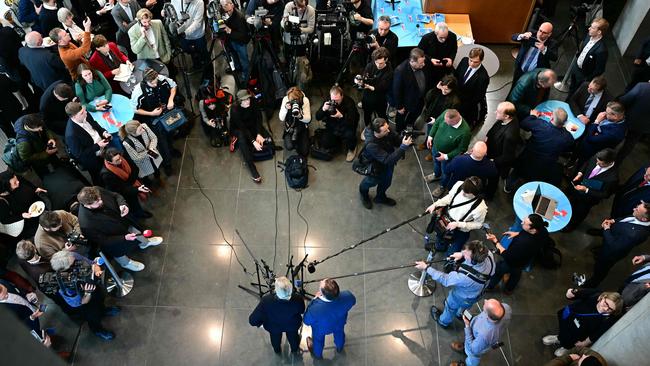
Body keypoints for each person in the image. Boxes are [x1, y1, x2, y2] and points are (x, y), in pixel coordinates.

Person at [77, 186, 162, 271]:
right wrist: (124, 238)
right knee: (119, 254)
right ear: (87, 205)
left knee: (138, 233)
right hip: (114, 238)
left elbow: (115, 195)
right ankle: (126, 263)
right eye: (97, 202)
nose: (101, 201)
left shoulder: (96, 190)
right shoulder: (86, 224)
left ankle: (145, 243)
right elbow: (104, 240)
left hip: (124, 222)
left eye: (100, 198)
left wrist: (122, 204)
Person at [415, 240, 495, 329]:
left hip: (460, 297)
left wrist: (426, 268)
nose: (464, 253)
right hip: (477, 294)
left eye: (466, 254)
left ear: (473, 261)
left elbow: (445, 279)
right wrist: (462, 254)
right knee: (464, 306)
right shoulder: (489, 256)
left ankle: (443, 321)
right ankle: (459, 314)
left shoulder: (465, 277)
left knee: (450, 307)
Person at [49, 250, 120, 340]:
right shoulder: (63, 285)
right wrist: (87, 292)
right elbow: (79, 303)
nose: (76, 259)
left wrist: (96, 268)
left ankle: (103, 310)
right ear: (65, 268)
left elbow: (91, 262)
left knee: (100, 299)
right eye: (73, 262)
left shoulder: (72, 255)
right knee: (93, 316)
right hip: (86, 301)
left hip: (94, 287)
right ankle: (97, 330)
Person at [583, 202, 650, 288]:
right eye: (637, 207)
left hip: (611, 253)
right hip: (614, 237)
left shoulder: (634, 235)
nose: (634, 209)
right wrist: (613, 221)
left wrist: (606, 229)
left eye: (637, 210)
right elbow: (627, 218)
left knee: (601, 268)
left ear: (644, 219)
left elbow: (613, 246)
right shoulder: (640, 216)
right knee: (601, 251)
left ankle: (592, 283)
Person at [505, 108, 574, 191]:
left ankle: (509, 186)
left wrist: (532, 116)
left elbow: (524, 124)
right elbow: (569, 145)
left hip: (528, 158)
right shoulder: (567, 137)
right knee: (534, 179)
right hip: (545, 165)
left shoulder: (540, 125)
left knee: (517, 171)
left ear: (551, 117)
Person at [130, 67, 181, 175]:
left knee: (171, 132)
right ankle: (167, 163)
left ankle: (171, 149)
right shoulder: (138, 91)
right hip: (153, 118)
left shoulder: (160, 79)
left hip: (167, 113)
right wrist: (151, 113)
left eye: (156, 81)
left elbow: (173, 86)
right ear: (145, 81)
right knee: (161, 141)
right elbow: (134, 109)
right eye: (152, 83)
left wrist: (171, 99)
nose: (155, 84)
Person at [543, 290, 622, 357]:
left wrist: (585, 342)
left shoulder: (608, 319)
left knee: (571, 340)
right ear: (603, 297)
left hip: (580, 331)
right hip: (570, 316)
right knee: (563, 329)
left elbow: (597, 333)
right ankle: (559, 338)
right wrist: (570, 294)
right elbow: (579, 293)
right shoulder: (595, 294)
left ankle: (566, 347)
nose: (605, 309)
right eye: (606, 304)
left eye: (610, 309)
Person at [485, 214, 550, 294]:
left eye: (525, 222)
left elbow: (507, 255)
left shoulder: (522, 243)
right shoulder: (543, 231)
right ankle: (509, 290)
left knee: (498, 272)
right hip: (524, 261)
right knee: (516, 274)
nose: (522, 223)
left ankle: (489, 287)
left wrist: (495, 241)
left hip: (510, 262)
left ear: (533, 229)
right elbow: (529, 235)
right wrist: (517, 233)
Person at [358, 118, 413, 209]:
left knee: (386, 182)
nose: (388, 130)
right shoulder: (371, 144)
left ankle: (380, 197)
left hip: (388, 164)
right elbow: (387, 159)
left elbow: (395, 137)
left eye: (388, 127)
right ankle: (363, 194)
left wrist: (403, 138)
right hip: (375, 167)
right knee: (370, 182)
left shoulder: (385, 129)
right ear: (377, 132)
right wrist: (403, 147)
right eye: (385, 130)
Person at [425, 177, 487, 255]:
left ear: (476, 193)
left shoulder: (480, 207)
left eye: (467, 193)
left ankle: (449, 260)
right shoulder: (459, 185)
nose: (463, 193)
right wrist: (435, 204)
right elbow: (450, 197)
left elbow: (478, 224)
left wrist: (458, 224)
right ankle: (439, 247)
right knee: (440, 236)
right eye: (463, 190)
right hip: (446, 219)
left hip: (461, 230)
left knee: (453, 250)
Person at [564, 149, 618, 232]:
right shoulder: (597, 157)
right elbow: (587, 163)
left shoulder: (612, 178)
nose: (596, 164)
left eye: (600, 164)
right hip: (578, 189)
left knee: (579, 213)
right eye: (597, 161)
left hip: (588, 199)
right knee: (571, 204)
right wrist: (580, 173)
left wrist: (586, 190)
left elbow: (605, 194)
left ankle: (571, 226)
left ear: (609, 162)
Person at [248, 276, 305, 354]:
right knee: (293, 338)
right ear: (291, 288)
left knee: (275, 339)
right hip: (292, 325)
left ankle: (277, 350)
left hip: (273, 327)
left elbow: (252, 320)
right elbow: (302, 310)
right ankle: (294, 349)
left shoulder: (266, 300)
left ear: (276, 290)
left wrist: (261, 324)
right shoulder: (298, 299)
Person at [303, 278, 356, 359]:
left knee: (318, 341)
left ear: (322, 293)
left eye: (321, 283)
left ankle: (318, 354)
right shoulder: (348, 296)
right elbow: (353, 301)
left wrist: (314, 300)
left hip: (321, 329)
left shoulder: (315, 308)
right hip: (339, 324)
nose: (320, 281)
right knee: (339, 335)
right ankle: (339, 347)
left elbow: (306, 321)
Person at [450, 299, 512, 366]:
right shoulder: (506, 307)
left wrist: (467, 326)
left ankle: (468, 364)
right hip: (477, 339)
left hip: (475, 347)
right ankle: (465, 346)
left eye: (486, 303)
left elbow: (473, 349)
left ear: (487, 314)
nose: (485, 300)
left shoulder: (485, 335)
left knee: (473, 356)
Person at [64, 101, 111, 184]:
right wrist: (97, 146)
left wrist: (103, 132)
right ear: (74, 117)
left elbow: (94, 124)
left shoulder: (84, 114)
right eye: (82, 113)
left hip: (103, 148)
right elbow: (80, 154)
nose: (85, 112)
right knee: (99, 177)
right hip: (93, 159)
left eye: (84, 110)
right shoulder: (71, 135)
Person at [100, 148, 153, 219]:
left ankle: (140, 212)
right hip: (125, 193)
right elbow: (121, 190)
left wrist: (131, 183)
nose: (120, 160)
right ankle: (139, 214)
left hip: (131, 185)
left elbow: (135, 168)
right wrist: (136, 188)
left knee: (136, 202)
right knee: (133, 205)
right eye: (117, 160)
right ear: (110, 162)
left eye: (119, 158)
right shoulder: (107, 174)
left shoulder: (122, 157)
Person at [572, 101, 626, 170]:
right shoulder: (615, 119)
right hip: (585, 143)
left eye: (607, 113)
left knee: (580, 166)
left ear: (615, 116)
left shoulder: (614, 133)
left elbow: (590, 138)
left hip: (590, 152)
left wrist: (597, 121)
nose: (603, 114)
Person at [230, 90, 269, 183]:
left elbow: (259, 118)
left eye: (248, 98)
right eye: (244, 100)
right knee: (243, 142)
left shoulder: (253, 101)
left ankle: (253, 143)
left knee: (268, 141)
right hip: (239, 128)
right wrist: (253, 141)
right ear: (239, 101)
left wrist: (259, 134)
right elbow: (242, 127)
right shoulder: (234, 109)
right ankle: (253, 169)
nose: (248, 101)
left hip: (251, 123)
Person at [424, 109, 471, 185]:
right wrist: (430, 136)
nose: (444, 122)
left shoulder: (465, 132)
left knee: (446, 171)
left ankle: (442, 186)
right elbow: (436, 123)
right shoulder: (446, 113)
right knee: (436, 162)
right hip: (435, 148)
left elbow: (461, 149)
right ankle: (436, 175)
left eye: (447, 122)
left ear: (454, 122)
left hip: (447, 156)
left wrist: (446, 156)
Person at [392, 48, 434, 133]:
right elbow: (397, 90)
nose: (424, 65)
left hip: (420, 99)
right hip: (407, 102)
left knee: (415, 114)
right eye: (421, 63)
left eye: (423, 61)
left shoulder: (422, 62)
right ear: (412, 61)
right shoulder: (400, 71)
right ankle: (400, 131)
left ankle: (409, 126)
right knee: (401, 117)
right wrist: (399, 107)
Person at [314, 85, 360, 162]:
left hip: (346, 126)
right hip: (332, 126)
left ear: (342, 96)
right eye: (333, 100)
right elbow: (317, 117)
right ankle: (338, 141)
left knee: (350, 136)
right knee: (325, 143)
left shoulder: (349, 103)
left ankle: (352, 148)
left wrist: (341, 116)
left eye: (337, 100)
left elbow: (352, 122)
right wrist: (323, 109)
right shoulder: (328, 101)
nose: (335, 102)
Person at [0, 170, 48, 239]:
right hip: (29, 217)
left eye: (16, 179)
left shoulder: (16, 179)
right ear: (6, 188)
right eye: (14, 183)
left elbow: (27, 183)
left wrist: (35, 188)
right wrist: (22, 215)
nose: (18, 182)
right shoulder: (2, 202)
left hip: (38, 204)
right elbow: (5, 220)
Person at [569, 17, 609, 96]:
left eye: (592, 28)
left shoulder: (602, 50)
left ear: (599, 32)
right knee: (571, 88)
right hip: (576, 68)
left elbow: (599, 70)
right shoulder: (588, 35)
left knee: (575, 94)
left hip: (584, 76)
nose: (589, 29)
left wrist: (587, 79)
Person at [357, 47, 393, 133]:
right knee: (367, 114)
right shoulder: (370, 65)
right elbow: (365, 76)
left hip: (380, 98)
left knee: (382, 115)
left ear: (386, 59)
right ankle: (368, 129)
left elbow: (383, 87)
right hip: (368, 96)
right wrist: (359, 80)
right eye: (376, 62)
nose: (378, 65)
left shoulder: (389, 71)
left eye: (381, 63)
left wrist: (369, 86)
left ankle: (385, 130)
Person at [119, 120, 163, 185]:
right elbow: (136, 157)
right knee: (145, 175)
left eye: (141, 127)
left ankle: (158, 179)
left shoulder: (144, 126)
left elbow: (154, 138)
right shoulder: (127, 142)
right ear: (132, 133)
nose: (143, 130)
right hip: (142, 161)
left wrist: (151, 147)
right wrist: (149, 152)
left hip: (152, 154)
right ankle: (148, 184)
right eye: (140, 130)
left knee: (156, 169)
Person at [455, 47, 490, 129]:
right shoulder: (464, 61)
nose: (471, 64)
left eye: (475, 62)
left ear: (481, 60)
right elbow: (456, 75)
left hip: (467, 103)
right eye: (470, 60)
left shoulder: (483, 77)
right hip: (456, 95)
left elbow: (478, 97)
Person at [485, 101, 520, 181]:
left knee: (493, 177)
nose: (495, 112)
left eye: (498, 112)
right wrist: (488, 135)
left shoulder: (510, 135)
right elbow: (496, 126)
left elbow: (507, 156)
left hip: (496, 158)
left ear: (507, 116)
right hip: (492, 147)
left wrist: (492, 160)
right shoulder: (506, 119)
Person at [616, 81, 650, 163]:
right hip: (643, 127)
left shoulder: (642, 87)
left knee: (616, 136)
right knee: (629, 145)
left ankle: (607, 154)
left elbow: (625, 100)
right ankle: (616, 162)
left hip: (628, 118)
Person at [219, 0, 250, 85]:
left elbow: (242, 35)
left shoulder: (239, 17)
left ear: (232, 4)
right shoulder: (223, 11)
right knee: (233, 55)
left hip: (240, 42)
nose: (225, 7)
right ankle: (237, 67)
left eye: (227, 4)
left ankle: (246, 75)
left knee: (244, 59)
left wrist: (230, 31)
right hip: (230, 40)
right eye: (223, 5)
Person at [169, 0, 206, 70]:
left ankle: (208, 72)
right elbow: (172, 12)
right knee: (189, 51)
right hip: (182, 35)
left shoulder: (199, 2)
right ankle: (197, 65)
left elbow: (197, 22)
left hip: (197, 35)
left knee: (203, 53)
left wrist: (185, 33)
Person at [279, 86, 311, 157]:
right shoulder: (286, 99)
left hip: (302, 127)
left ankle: (301, 139)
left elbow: (308, 119)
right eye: (292, 101)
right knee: (289, 146)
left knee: (304, 152)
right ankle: (295, 140)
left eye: (296, 101)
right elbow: (281, 118)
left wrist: (300, 116)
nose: (294, 103)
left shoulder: (305, 100)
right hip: (290, 127)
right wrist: (285, 108)